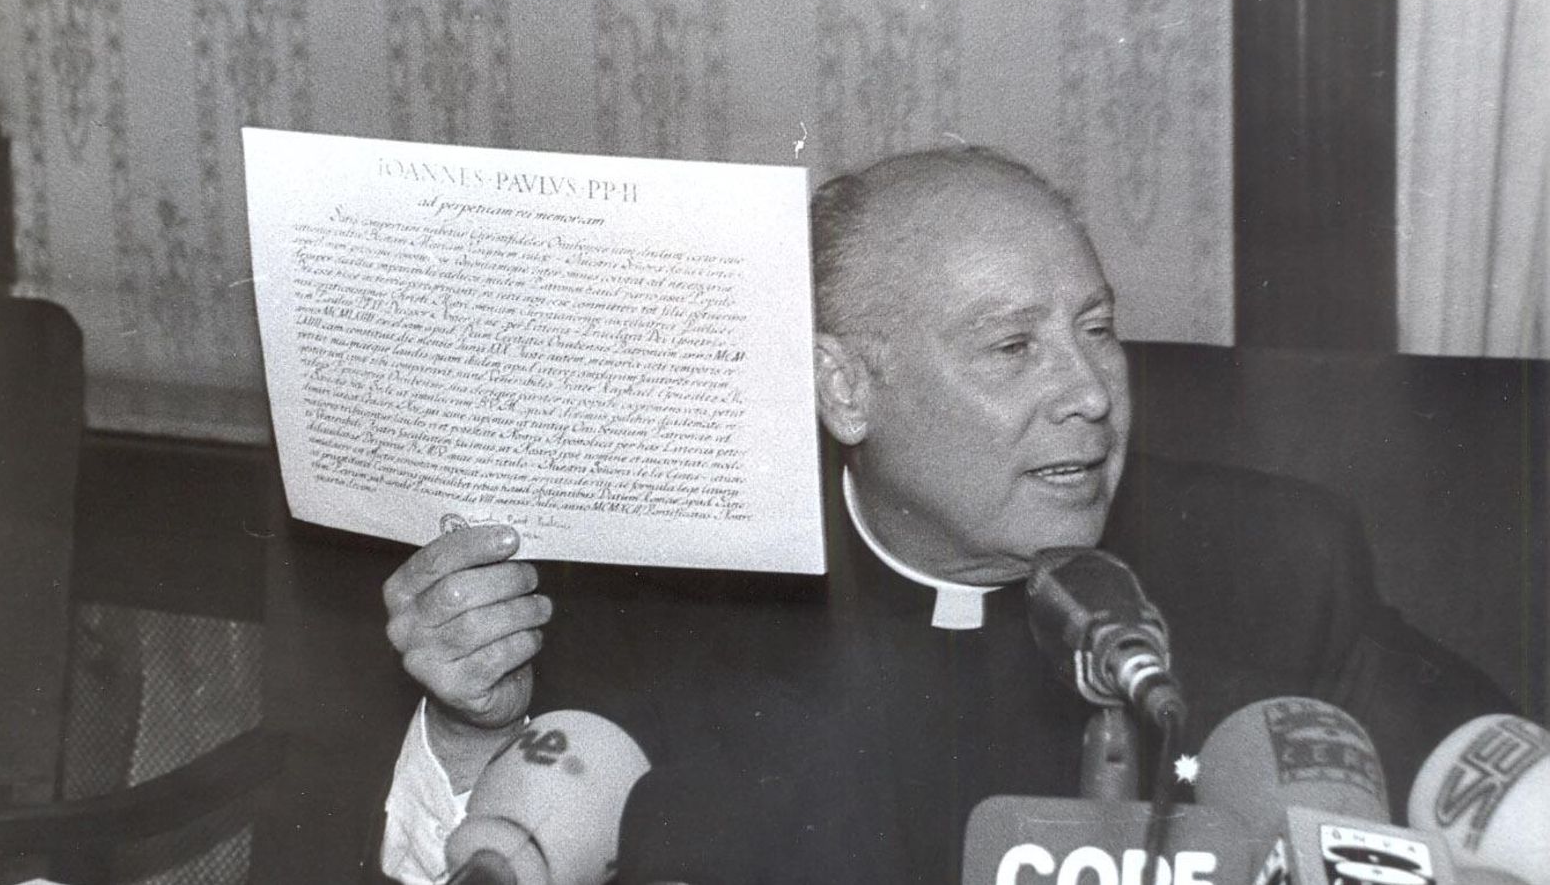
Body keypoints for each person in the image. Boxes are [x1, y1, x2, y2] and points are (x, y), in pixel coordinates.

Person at [378, 147, 1512, 883]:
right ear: (845, 389)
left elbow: (1511, 800)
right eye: (1012, 347)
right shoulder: (683, 594)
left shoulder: (1270, 562)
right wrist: (475, 726)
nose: (1088, 392)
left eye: (1098, 329)